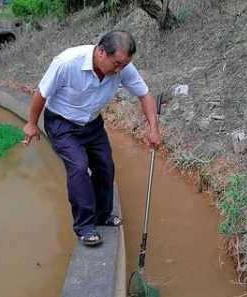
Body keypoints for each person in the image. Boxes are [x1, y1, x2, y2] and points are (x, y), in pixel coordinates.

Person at [22, 30, 161, 247]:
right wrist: (31, 124)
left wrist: (153, 129)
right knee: (78, 167)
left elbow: (145, 94)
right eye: (116, 64)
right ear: (101, 52)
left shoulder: (122, 68)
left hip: (92, 123)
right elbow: (41, 93)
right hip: (62, 124)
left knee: (105, 166)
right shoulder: (67, 62)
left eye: (123, 65)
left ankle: (102, 215)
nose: (120, 70)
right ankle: (85, 227)